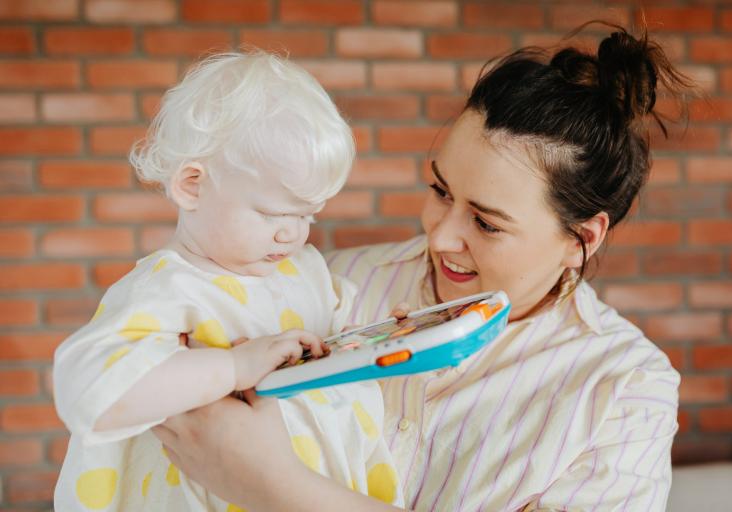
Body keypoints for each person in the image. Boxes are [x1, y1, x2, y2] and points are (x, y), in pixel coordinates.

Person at [153, 25, 695, 511]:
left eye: (486, 223)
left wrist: (276, 487)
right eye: (440, 190)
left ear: (583, 239)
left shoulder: (624, 389)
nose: (439, 236)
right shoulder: (329, 284)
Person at [52, 51, 403, 511]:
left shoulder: (304, 269)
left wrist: (384, 336)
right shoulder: (166, 290)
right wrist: (232, 368)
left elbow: (337, 343)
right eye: (274, 213)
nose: (292, 234)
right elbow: (91, 394)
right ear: (193, 186)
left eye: (308, 215)